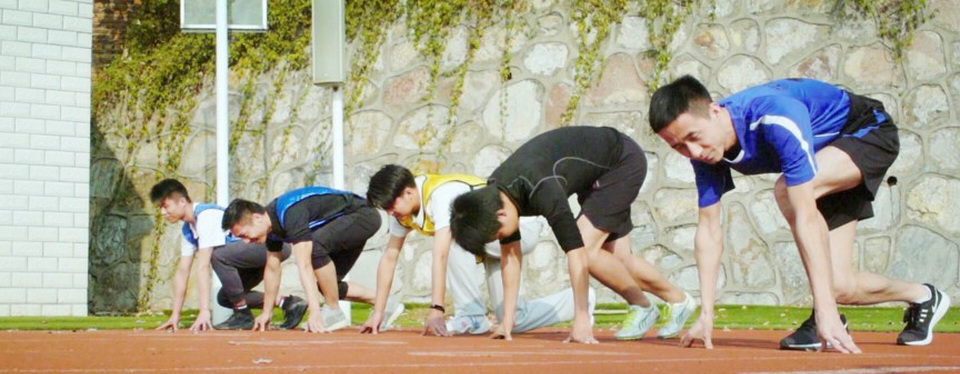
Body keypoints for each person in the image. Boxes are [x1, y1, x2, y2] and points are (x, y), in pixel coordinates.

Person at [648, 75, 951, 352]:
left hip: (867, 133)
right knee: (838, 286)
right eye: (679, 147)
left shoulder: (774, 115)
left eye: (694, 136)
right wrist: (707, 314)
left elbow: (805, 212)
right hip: (823, 161)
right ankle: (924, 296)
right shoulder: (704, 155)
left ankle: (825, 314)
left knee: (787, 191)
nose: (693, 152)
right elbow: (709, 229)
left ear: (714, 111)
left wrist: (825, 311)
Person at [449, 126, 697, 344]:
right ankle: (678, 301)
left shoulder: (541, 188)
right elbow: (510, 257)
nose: (501, 240)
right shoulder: (495, 196)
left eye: (497, 235)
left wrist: (581, 318)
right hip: (597, 173)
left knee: (587, 249)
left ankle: (642, 305)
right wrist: (507, 321)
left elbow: (576, 252)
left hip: (621, 162)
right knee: (618, 259)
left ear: (502, 215)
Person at [361, 165, 582, 336]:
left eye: (390, 206)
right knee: (513, 318)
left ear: (408, 193)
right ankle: (579, 302)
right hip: (488, 239)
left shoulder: (440, 195)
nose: (390, 213)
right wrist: (379, 312)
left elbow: (440, 254)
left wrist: (437, 309)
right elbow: (389, 257)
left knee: (455, 235)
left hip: (518, 227)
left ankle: (472, 316)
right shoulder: (401, 214)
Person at [221, 185, 403, 333]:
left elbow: (305, 264)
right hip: (352, 220)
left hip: (363, 215)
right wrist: (267, 312)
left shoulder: (289, 213)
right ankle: (386, 304)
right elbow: (272, 268)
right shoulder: (271, 229)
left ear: (257, 218)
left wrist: (315, 311)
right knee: (328, 285)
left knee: (315, 248)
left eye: (244, 234)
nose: (246, 242)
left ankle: (332, 311)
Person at [149, 178, 306, 331]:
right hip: (247, 257)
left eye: (166, 206)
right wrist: (175, 315)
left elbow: (203, 266)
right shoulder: (188, 230)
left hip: (270, 246)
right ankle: (289, 303)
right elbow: (183, 271)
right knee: (225, 297)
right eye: (160, 208)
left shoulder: (205, 216)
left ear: (182, 201)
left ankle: (242, 314)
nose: (163, 212)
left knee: (218, 256)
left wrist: (204, 311)